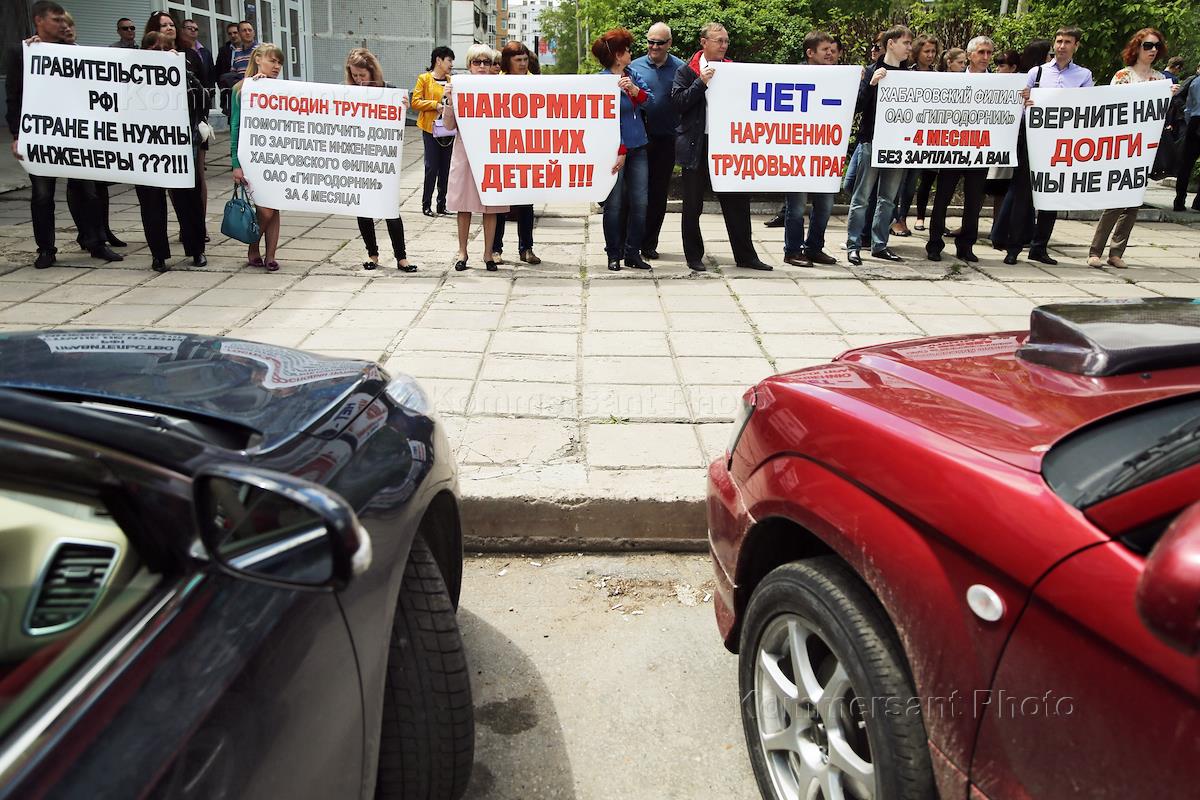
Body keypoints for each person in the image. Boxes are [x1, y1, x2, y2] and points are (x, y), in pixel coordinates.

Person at [6, 1, 121, 268]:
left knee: (89, 192)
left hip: (76, 135)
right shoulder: (22, 52)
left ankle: (96, 242)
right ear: (39, 21)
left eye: (63, 20)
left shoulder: (71, 50)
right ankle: (46, 249)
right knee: (42, 195)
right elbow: (14, 97)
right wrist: (17, 134)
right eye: (56, 20)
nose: (62, 24)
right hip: (41, 134)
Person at [672, 23, 771, 272]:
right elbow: (679, 102)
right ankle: (694, 256)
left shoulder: (733, 70)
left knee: (737, 201)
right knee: (693, 204)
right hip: (697, 144)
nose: (724, 45)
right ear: (704, 42)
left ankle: (746, 256)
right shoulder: (687, 70)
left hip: (728, 144)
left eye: (726, 41)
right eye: (719, 41)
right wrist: (701, 83)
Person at [996, 29, 1093, 266]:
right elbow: (1018, 104)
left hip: (1062, 144)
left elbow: (1087, 107)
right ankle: (1014, 248)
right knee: (1022, 196)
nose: (1062, 46)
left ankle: (1039, 248)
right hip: (1032, 141)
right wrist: (1025, 101)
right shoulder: (1036, 72)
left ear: (1076, 46)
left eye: (1067, 42)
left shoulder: (1083, 75)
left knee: (1052, 196)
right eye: (1059, 41)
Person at [1088, 29, 1175, 269]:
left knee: (1134, 201)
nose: (1153, 50)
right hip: (1123, 146)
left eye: (1156, 46)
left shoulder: (1160, 79)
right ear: (1137, 48)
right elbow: (1113, 107)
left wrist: (1168, 96)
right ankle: (1096, 250)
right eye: (1148, 45)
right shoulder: (1123, 76)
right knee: (1116, 200)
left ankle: (1116, 252)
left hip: (1146, 148)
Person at [136, 31, 207, 272]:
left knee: (188, 200)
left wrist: (179, 70)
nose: (160, 54)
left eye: (164, 49)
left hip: (178, 146)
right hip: (146, 148)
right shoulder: (131, 73)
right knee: (151, 204)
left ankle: (196, 249)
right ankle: (158, 254)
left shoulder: (181, 72)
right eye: (154, 49)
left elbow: (202, 97)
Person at [844, 25, 912, 265]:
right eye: (905, 43)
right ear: (891, 44)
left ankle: (879, 244)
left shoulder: (911, 76)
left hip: (898, 145)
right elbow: (856, 107)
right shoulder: (872, 71)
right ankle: (854, 245)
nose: (909, 48)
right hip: (871, 142)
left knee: (887, 199)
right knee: (861, 197)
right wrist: (872, 84)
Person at [346, 48, 417, 272]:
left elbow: (402, 118)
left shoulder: (389, 91)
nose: (359, 80)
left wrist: (404, 107)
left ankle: (401, 257)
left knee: (390, 208)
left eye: (362, 75)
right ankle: (372, 254)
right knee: (363, 209)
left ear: (372, 72)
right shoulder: (349, 93)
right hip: (359, 157)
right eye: (354, 76)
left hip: (384, 159)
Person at [926, 36, 993, 263]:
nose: (985, 57)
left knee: (974, 202)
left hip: (980, 150)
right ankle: (935, 244)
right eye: (981, 52)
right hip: (952, 148)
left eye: (989, 53)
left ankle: (966, 246)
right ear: (970, 55)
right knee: (942, 199)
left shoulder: (998, 83)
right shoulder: (952, 80)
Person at [442, 44, 508, 272]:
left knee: (491, 206)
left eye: (486, 62)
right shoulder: (458, 87)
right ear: (469, 65)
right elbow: (448, 125)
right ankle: (462, 251)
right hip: (466, 153)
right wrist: (449, 100)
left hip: (492, 151)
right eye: (476, 62)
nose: (481, 66)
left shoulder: (501, 88)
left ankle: (488, 253)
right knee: (464, 204)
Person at [594, 29, 653, 272]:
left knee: (640, 202)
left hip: (638, 146)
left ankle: (632, 252)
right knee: (614, 204)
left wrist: (635, 91)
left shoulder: (633, 75)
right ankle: (613, 254)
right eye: (627, 50)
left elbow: (651, 102)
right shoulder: (600, 82)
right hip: (613, 151)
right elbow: (602, 121)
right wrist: (620, 148)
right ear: (618, 55)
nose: (631, 54)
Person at [782, 31, 842, 267]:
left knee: (825, 205)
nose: (830, 54)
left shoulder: (838, 77)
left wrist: (861, 84)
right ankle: (792, 251)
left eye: (832, 50)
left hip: (825, 152)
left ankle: (814, 248)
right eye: (825, 49)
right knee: (796, 207)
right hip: (798, 153)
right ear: (810, 53)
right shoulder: (793, 76)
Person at [629, 21, 683, 260]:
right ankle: (631, 242)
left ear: (669, 43)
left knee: (659, 194)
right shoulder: (634, 66)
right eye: (650, 42)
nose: (654, 47)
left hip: (666, 139)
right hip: (639, 139)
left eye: (659, 43)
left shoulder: (680, 68)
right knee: (636, 193)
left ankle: (649, 243)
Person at [231, 43, 285, 272]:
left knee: (274, 207)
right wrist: (235, 164)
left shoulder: (282, 89)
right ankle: (254, 246)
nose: (277, 66)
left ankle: (270, 254)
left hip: (278, 157)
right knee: (265, 209)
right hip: (253, 158)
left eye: (279, 62)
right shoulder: (242, 89)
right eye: (272, 61)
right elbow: (236, 127)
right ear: (258, 59)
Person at [492, 42, 540, 265]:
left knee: (526, 202)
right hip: (502, 148)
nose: (522, 64)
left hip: (527, 148)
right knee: (500, 202)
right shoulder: (496, 83)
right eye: (518, 60)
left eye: (525, 59)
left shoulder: (535, 83)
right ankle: (495, 249)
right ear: (507, 61)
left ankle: (526, 248)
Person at [893, 33, 941, 237]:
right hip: (904, 135)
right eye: (926, 51)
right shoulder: (906, 72)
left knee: (911, 182)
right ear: (917, 51)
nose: (930, 55)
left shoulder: (939, 76)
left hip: (924, 138)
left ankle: (902, 217)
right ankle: (893, 218)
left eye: (933, 51)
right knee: (898, 181)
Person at [411, 46, 454, 217]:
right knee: (431, 167)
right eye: (449, 60)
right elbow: (415, 102)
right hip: (430, 129)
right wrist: (435, 105)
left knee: (445, 168)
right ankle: (426, 204)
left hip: (448, 129)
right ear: (438, 60)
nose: (451, 64)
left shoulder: (452, 80)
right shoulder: (424, 79)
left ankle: (442, 204)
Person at [1174, 64, 1200, 212]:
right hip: (1195, 120)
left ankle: (1179, 200)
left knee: (1186, 163)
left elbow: (1188, 107)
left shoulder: (1195, 81)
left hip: (1195, 121)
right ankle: (1198, 202)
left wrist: (1189, 122)